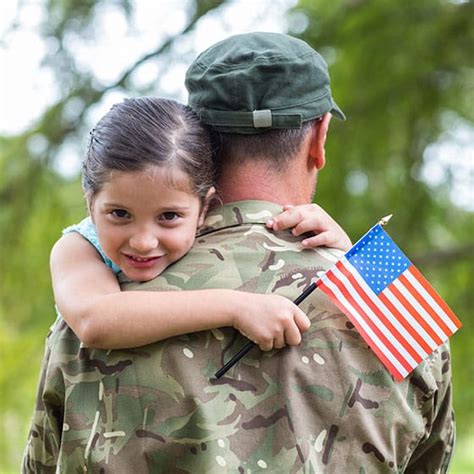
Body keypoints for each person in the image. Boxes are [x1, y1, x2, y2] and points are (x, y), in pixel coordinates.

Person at [23, 33, 455, 473]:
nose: (143, 241)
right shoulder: (395, 303)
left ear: (197, 140)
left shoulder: (110, 296)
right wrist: (348, 262)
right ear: (319, 138)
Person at [50, 96, 350, 352]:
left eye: (168, 217)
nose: (143, 241)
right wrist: (236, 307)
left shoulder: (213, 233)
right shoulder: (78, 248)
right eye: (119, 214)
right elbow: (95, 320)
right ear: (90, 203)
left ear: (205, 207)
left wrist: (343, 251)